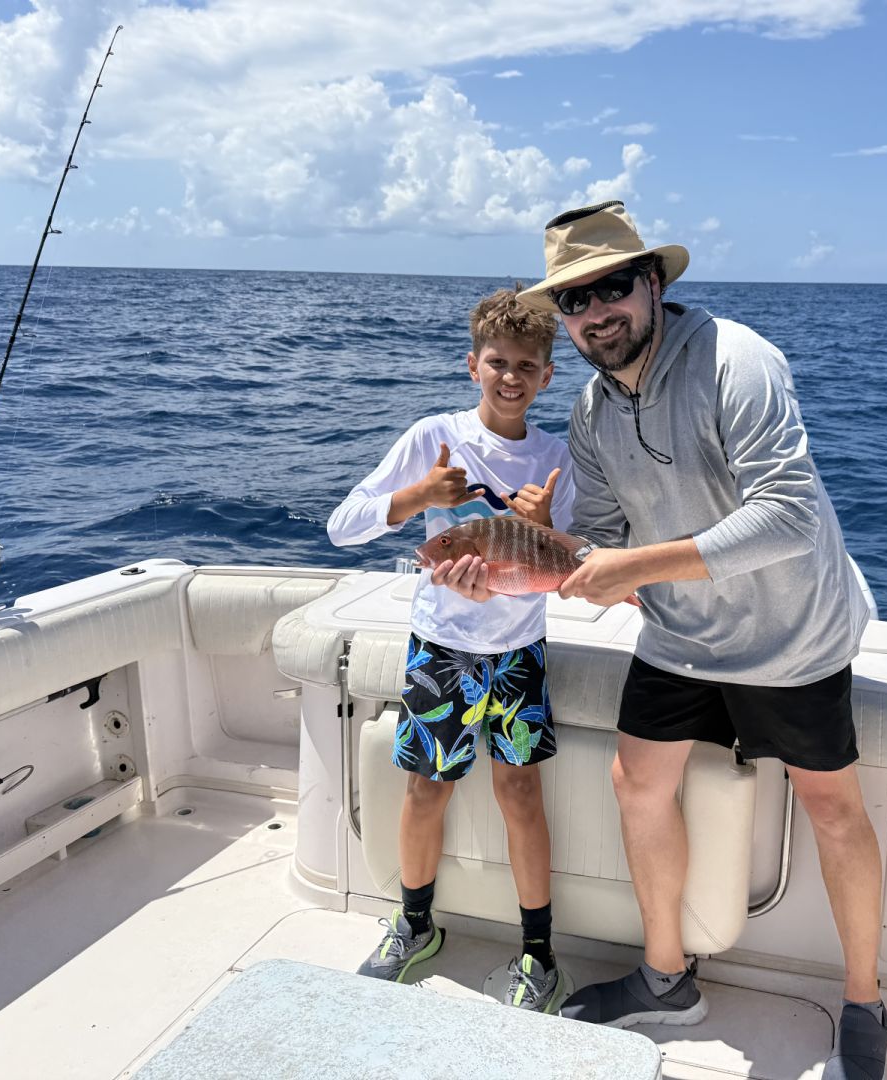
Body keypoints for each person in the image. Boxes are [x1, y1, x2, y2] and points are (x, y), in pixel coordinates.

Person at [435, 203, 887, 1079]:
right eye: (574, 300)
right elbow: (602, 547)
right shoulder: (593, 415)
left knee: (834, 810)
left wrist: (634, 565)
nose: (595, 312)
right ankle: (666, 979)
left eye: (611, 287)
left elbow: (790, 517)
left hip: (794, 632)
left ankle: (865, 1004)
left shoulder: (736, 361)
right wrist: (507, 562)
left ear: (653, 282)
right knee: (636, 783)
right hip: (682, 635)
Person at [327, 287, 574, 1013]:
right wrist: (419, 497)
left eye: (526, 365)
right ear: (472, 365)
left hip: (520, 652)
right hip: (444, 650)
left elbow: (573, 561)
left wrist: (546, 526)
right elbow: (343, 525)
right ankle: (413, 925)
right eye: (497, 362)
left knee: (521, 794)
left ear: (547, 376)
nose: (510, 376)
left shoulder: (556, 458)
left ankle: (538, 954)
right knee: (425, 790)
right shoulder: (433, 437)